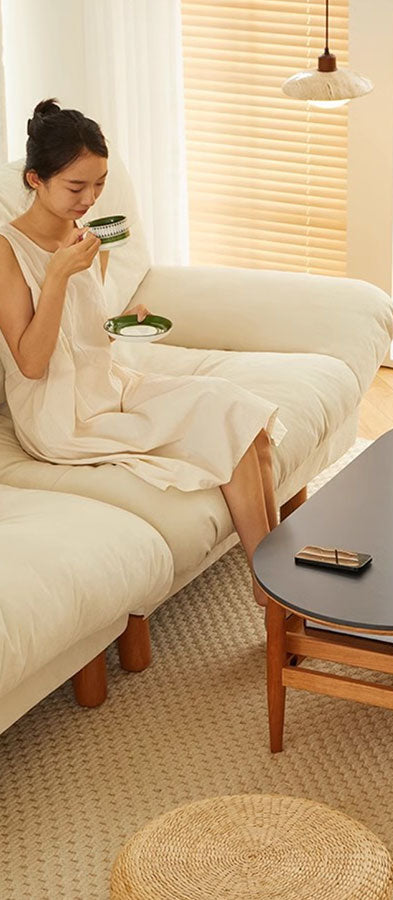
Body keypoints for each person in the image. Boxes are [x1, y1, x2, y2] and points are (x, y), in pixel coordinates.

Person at [0, 99, 285, 606]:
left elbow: (85, 334)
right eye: (75, 187)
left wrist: (120, 325)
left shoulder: (85, 237)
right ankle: (273, 597)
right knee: (235, 434)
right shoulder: (7, 250)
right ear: (35, 180)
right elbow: (32, 362)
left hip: (108, 385)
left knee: (246, 420)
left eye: (100, 184)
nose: (90, 199)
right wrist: (59, 276)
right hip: (61, 413)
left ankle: (278, 579)